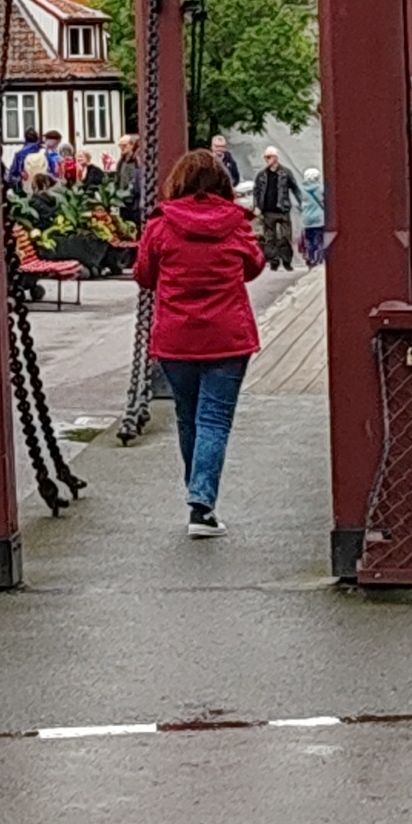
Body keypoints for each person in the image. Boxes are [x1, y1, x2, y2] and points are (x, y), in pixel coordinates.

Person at [135, 146, 265, 535]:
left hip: (176, 338)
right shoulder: (236, 223)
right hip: (228, 336)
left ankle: (199, 499)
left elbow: (143, 274)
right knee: (214, 420)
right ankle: (201, 503)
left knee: (187, 416)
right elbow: (254, 266)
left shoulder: (160, 224)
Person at [251, 146, 302, 271]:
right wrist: (256, 206)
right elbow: (256, 191)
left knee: (285, 237)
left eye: (269, 157)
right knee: (270, 238)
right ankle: (274, 262)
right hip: (268, 211)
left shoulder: (286, 172)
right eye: (265, 157)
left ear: (275, 157)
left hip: (283, 210)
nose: (266, 159)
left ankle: (286, 262)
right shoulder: (261, 175)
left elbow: (295, 188)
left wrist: (301, 201)